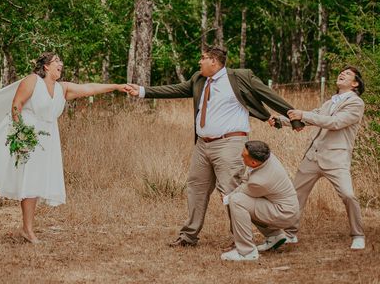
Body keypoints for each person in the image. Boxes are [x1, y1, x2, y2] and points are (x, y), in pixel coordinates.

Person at [0, 52, 129, 244]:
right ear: (46, 67)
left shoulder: (63, 89)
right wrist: (20, 133)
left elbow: (89, 88)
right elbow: (16, 105)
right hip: (18, 132)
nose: (61, 63)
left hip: (43, 140)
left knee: (32, 180)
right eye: (57, 60)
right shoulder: (33, 80)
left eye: (61, 60)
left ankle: (27, 230)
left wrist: (117, 87)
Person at [127, 46, 296, 247]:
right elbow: (176, 89)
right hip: (202, 144)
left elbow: (267, 94)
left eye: (203, 58)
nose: (199, 62)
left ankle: (251, 238)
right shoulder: (199, 79)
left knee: (231, 192)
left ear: (214, 61)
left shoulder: (240, 77)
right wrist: (142, 91)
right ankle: (188, 237)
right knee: (196, 188)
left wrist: (294, 116)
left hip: (230, 144)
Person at [270, 66, 366, 250]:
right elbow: (311, 117)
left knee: (348, 195)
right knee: (296, 195)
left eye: (347, 74)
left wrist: (304, 114)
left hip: (336, 159)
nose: (341, 74)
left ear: (355, 83)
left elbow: (335, 122)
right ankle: (290, 234)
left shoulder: (356, 103)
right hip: (313, 157)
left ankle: (358, 235)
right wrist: (280, 121)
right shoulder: (330, 102)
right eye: (341, 72)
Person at [220, 141, 299, 261]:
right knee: (246, 202)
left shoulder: (259, 182)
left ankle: (247, 252)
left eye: (244, 155)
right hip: (284, 206)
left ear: (253, 162)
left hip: (284, 213)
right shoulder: (267, 156)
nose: (241, 155)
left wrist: (227, 198)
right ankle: (274, 236)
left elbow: (243, 191)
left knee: (237, 201)